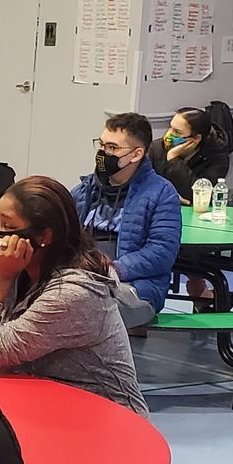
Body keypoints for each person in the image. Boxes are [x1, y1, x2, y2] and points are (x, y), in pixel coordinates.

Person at [0, 175, 149, 415]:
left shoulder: (72, 294)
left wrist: (0, 280)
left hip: (105, 415)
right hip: (47, 402)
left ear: (43, 237)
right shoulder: (20, 261)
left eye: (7, 226)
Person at [71, 112, 182, 318]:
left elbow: (161, 253)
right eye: (101, 145)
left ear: (136, 154)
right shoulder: (84, 190)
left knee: (82, 307)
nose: (103, 153)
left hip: (136, 287)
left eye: (112, 148)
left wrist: (111, 270)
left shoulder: (162, 193)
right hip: (80, 278)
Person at [157, 106, 233, 197]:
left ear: (196, 138)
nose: (169, 134)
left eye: (177, 132)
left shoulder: (217, 157)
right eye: (170, 127)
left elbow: (200, 194)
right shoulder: (157, 147)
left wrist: (173, 159)